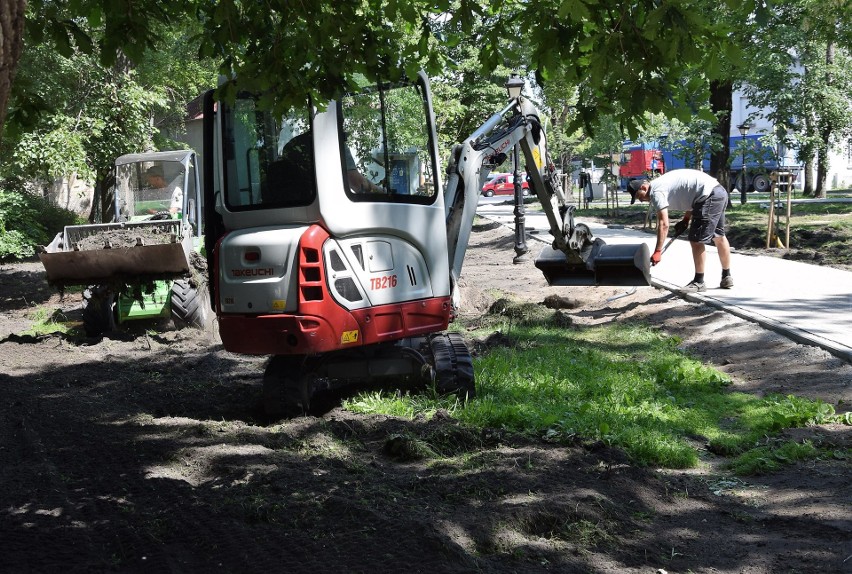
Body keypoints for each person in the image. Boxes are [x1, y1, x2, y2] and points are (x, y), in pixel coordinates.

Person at [628, 169, 733, 292]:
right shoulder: (661, 183)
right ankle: (727, 276)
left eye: (638, 196)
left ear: (643, 187)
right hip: (717, 191)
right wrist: (686, 219)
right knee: (719, 236)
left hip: (708, 195)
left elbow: (663, 224)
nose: (641, 200)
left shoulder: (656, 192)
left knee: (696, 240)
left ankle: (699, 282)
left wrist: (657, 251)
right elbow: (693, 194)